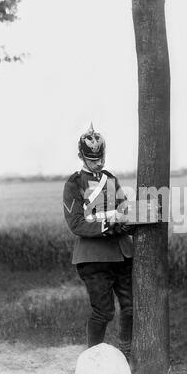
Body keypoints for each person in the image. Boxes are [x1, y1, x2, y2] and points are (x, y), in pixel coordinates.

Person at [63, 123, 133, 360]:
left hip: (121, 253)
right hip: (93, 258)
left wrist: (126, 220)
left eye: (100, 157)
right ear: (81, 156)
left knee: (131, 308)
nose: (98, 163)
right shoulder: (74, 183)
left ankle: (127, 355)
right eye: (92, 159)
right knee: (103, 312)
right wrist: (106, 224)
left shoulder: (110, 179)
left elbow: (124, 210)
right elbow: (76, 224)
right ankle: (92, 362)